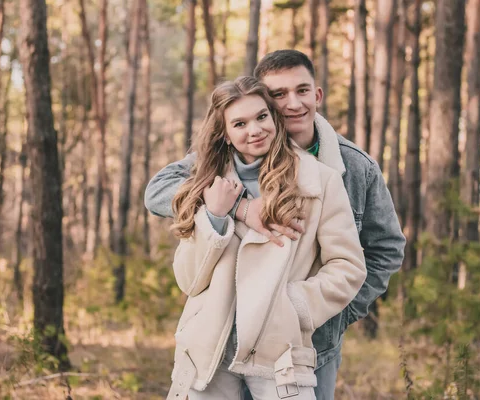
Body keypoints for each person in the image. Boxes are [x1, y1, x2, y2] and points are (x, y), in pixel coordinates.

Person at [146, 50, 405, 399]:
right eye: (279, 95)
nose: (293, 103)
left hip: (300, 344)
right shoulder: (214, 166)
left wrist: (310, 310)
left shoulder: (346, 170)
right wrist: (234, 209)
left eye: (302, 91)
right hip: (215, 349)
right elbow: (160, 196)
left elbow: (376, 254)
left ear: (318, 95)